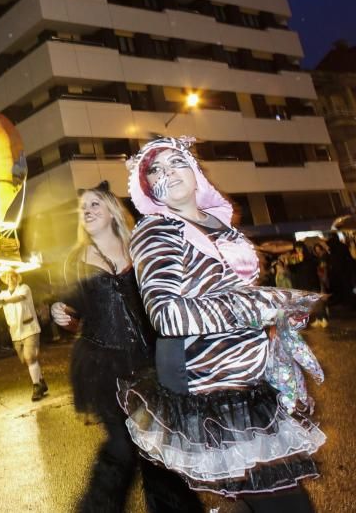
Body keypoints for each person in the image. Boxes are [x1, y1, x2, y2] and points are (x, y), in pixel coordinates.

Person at [119, 136, 324, 511]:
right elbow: (166, 314)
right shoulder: (156, 231)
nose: (167, 172)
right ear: (148, 187)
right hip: (207, 377)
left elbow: (234, 289)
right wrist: (258, 307)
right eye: (155, 170)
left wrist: (277, 314)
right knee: (279, 497)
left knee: (255, 491)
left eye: (176, 162)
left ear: (195, 170)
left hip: (249, 371)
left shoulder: (217, 223)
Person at [50, 181, 202, 513]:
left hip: (149, 361)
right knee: (121, 446)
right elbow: (72, 305)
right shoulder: (77, 259)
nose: (87, 211)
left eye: (94, 204)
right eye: (83, 208)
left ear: (112, 210)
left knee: (157, 447)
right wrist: (60, 311)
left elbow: (162, 295)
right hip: (103, 366)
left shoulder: (139, 248)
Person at [0, 270, 47, 401]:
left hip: (30, 329)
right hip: (15, 333)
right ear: (4, 279)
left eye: (12, 276)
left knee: (29, 357)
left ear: (17, 277)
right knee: (26, 360)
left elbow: (18, 298)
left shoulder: (24, 288)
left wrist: (1, 301)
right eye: (7, 277)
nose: (10, 279)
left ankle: (37, 387)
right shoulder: (3, 294)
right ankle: (41, 380)